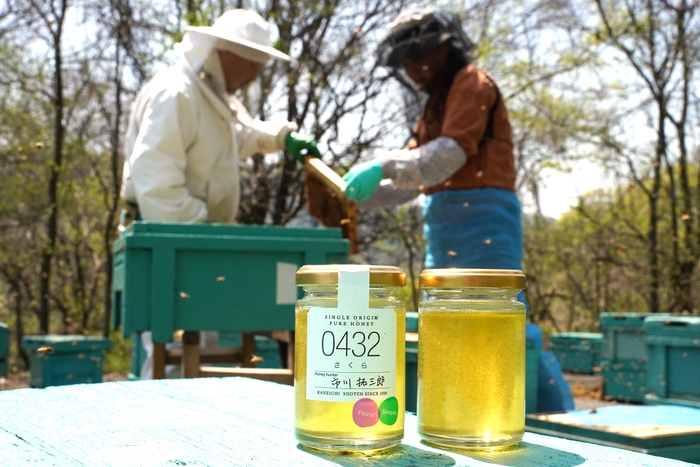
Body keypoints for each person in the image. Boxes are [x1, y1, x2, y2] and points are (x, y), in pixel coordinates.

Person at [343, 8, 573, 412]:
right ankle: (467, 411)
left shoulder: (472, 83)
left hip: (486, 222)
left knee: (498, 323)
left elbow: (448, 155)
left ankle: (550, 416)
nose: (410, 70)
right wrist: (358, 195)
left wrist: (382, 164)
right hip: (443, 229)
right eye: (404, 63)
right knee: (447, 322)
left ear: (439, 50)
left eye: (413, 59)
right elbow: (415, 179)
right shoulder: (433, 107)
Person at [120, 9, 320, 379]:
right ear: (227, 54)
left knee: (199, 349)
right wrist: (200, 229)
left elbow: (238, 137)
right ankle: (160, 416)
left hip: (191, 244)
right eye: (253, 65)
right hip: (167, 241)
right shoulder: (176, 94)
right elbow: (156, 180)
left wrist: (282, 137)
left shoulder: (209, 98)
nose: (255, 76)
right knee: (172, 351)